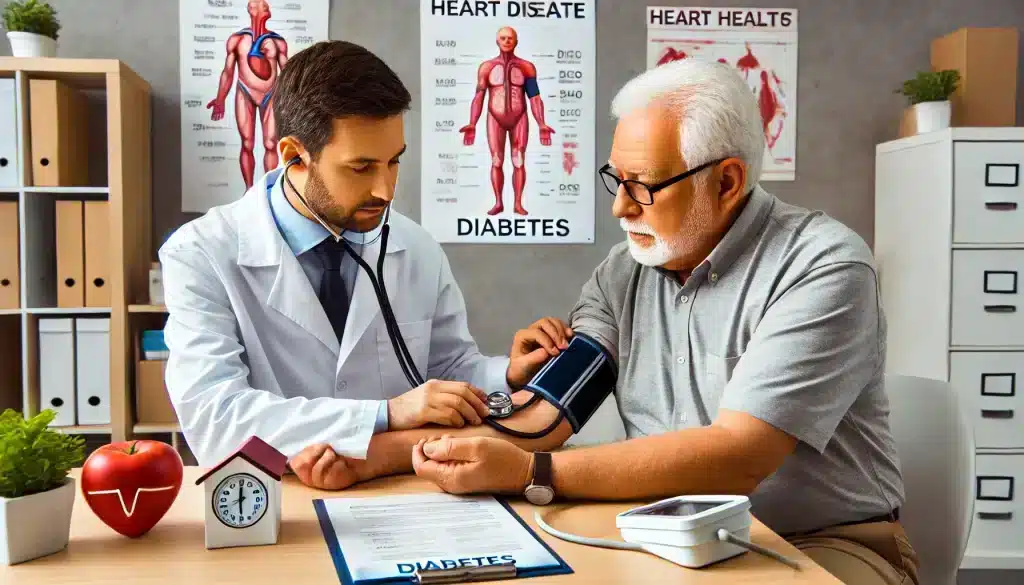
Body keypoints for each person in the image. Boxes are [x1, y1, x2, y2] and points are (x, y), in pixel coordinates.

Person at [411, 59, 920, 585]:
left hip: (820, 543)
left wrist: (533, 473)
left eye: (643, 185)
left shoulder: (823, 265)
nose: (620, 208)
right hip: (661, 537)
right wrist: (378, 453)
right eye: (616, 179)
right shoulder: (620, 274)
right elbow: (545, 415)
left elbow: (740, 456)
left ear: (726, 182)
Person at [160, 40, 574, 489]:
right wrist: (387, 413)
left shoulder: (415, 247)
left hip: (404, 492)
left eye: (394, 162)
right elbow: (214, 420)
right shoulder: (201, 253)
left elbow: (446, 370)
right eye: (361, 168)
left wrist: (507, 373)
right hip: (277, 501)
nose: (385, 190)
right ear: (293, 156)